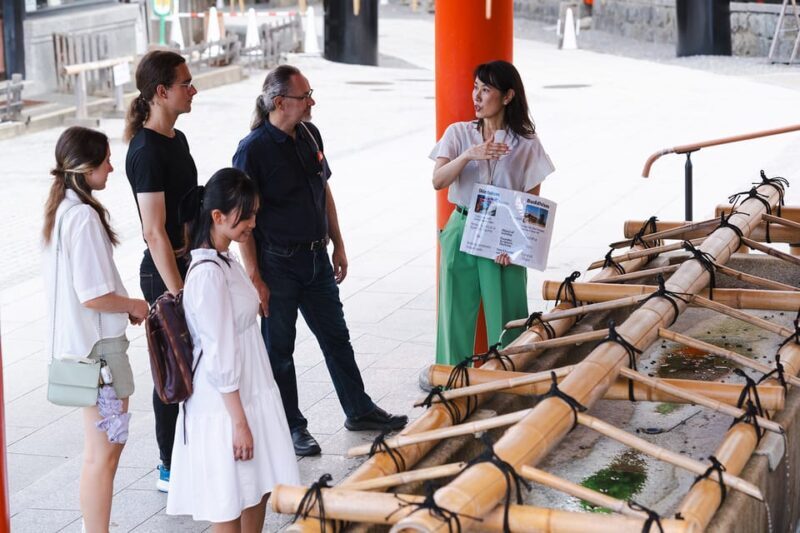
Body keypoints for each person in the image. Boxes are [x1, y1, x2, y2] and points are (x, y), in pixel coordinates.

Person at [233, 65, 407, 456]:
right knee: (280, 350)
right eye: (305, 96)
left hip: (316, 260)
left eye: (311, 94)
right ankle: (291, 426)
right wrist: (255, 276)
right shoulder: (252, 150)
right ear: (279, 103)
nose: (311, 102)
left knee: (337, 338)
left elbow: (323, 191)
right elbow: (243, 219)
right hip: (277, 264)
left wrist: (339, 243)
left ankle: (358, 409)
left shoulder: (310, 134)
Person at [166, 168, 300, 530]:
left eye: (255, 213)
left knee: (254, 490)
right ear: (217, 217)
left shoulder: (225, 259)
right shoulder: (208, 273)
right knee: (227, 499)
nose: (253, 223)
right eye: (246, 215)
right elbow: (219, 355)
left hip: (248, 392)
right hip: (226, 404)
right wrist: (239, 423)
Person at [43, 126, 150, 532]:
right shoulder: (83, 216)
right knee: (104, 452)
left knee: (103, 448)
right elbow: (92, 294)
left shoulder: (61, 212)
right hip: (101, 355)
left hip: (87, 350)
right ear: (85, 166)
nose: (111, 166)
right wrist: (134, 305)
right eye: (105, 159)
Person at [431, 60, 555, 366]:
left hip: (504, 236)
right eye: (475, 87)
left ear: (507, 96)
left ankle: (506, 387)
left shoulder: (527, 144)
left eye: (485, 89)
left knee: (507, 320)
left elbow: (531, 207)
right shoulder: (458, 133)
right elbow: (438, 181)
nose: (476, 96)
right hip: (461, 227)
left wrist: (513, 246)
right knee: (454, 317)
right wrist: (469, 155)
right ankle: (451, 388)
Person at [124, 49, 199, 492]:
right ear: (161, 91)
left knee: (196, 362)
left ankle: (189, 452)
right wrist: (180, 291)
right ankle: (168, 463)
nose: (193, 90)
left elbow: (187, 208)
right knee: (172, 365)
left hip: (187, 261)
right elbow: (154, 233)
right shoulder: (146, 151)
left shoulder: (178, 139)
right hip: (162, 271)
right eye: (186, 83)